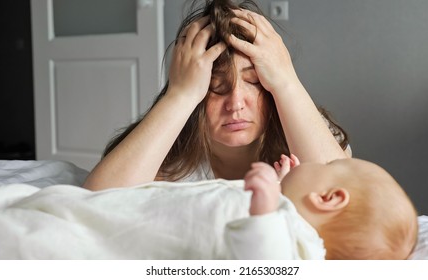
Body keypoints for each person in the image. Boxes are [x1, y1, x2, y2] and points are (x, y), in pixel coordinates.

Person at [83, 0, 350, 191]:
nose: (235, 104)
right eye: (216, 86)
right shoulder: (171, 156)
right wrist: (180, 94)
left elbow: (347, 194)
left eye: (254, 81)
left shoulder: (308, 129)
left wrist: (287, 81)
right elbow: (97, 198)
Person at [230, 155, 419, 260]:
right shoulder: (291, 224)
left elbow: (263, 261)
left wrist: (264, 213)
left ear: (328, 198)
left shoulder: (302, 246)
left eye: (328, 164)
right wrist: (281, 187)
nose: (319, 161)